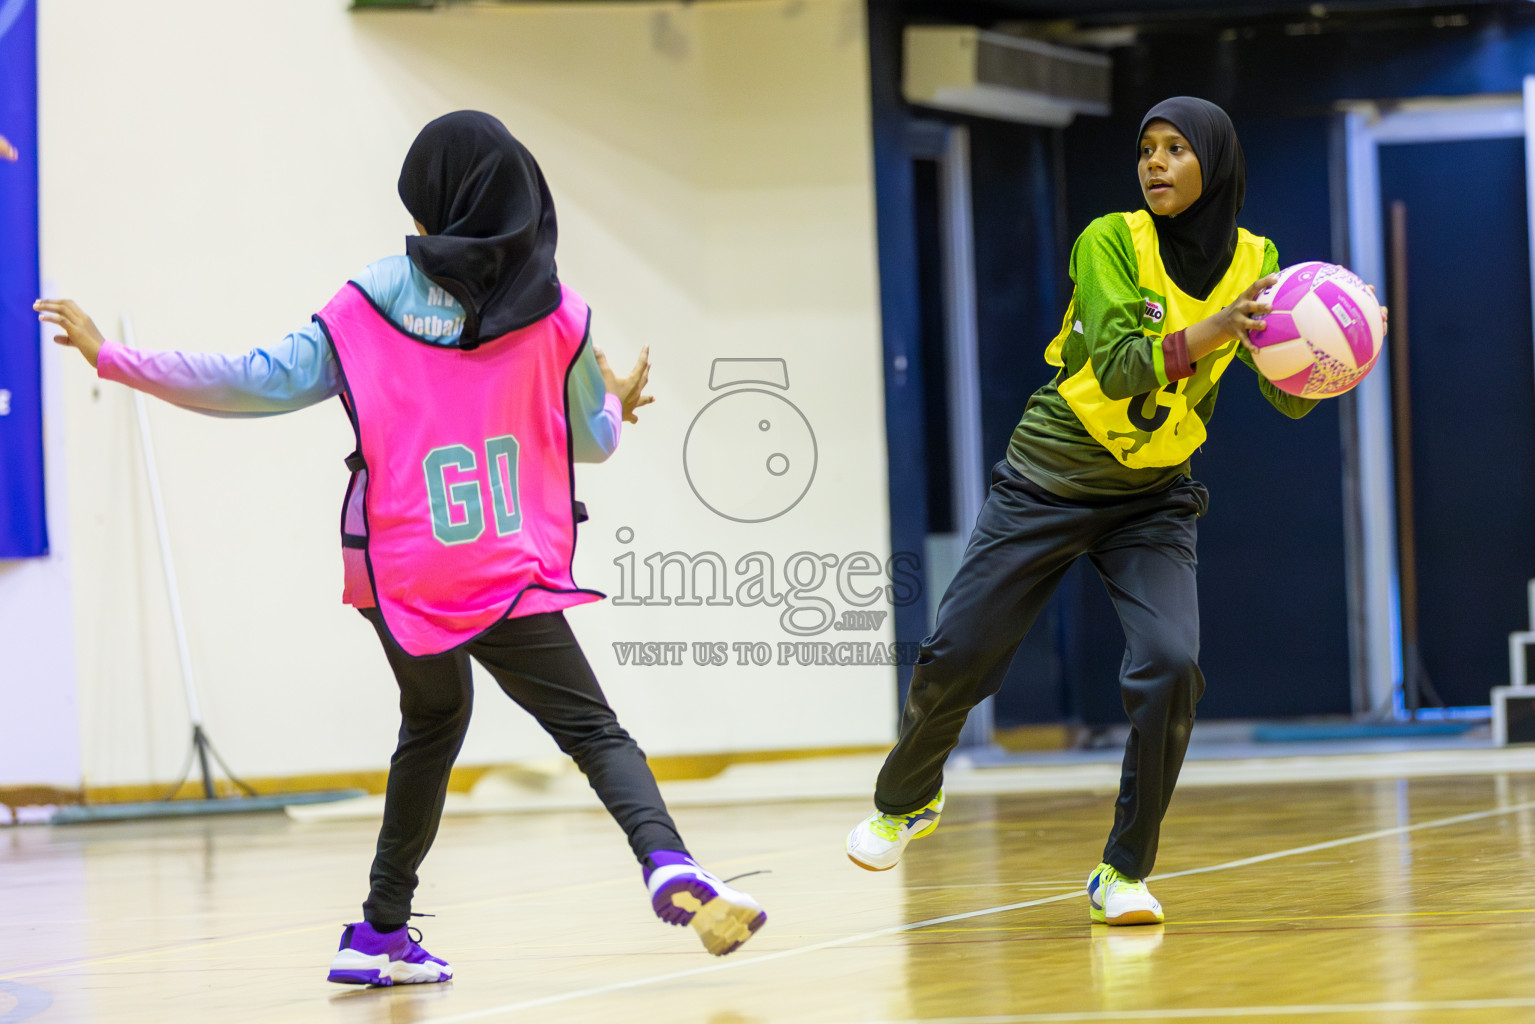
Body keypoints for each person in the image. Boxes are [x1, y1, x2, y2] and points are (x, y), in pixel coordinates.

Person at [38, 110, 766, 985]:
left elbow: (260, 381)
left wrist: (114, 357)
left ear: (439, 206)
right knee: (590, 728)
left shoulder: (369, 296)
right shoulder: (558, 314)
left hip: (397, 567)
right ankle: (667, 861)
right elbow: (593, 443)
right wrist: (614, 400)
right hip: (502, 570)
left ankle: (380, 931)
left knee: (431, 719)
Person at [844, 97, 1385, 925]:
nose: (1155, 164)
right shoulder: (1108, 240)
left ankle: (1122, 872)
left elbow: (1286, 402)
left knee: (1170, 666)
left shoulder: (1258, 260)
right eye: (1146, 150)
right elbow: (1124, 366)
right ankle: (907, 797)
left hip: (1152, 500)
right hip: (1046, 480)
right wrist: (1211, 331)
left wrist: (1334, 357)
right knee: (957, 652)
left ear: (1216, 164)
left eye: (1175, 150)